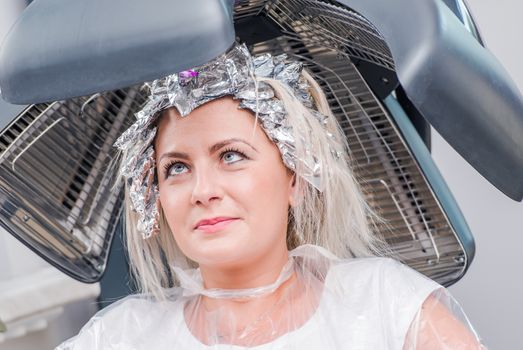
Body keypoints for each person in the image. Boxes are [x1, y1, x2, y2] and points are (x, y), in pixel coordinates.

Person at [56, 43, 485, 349]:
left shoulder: (386, 305)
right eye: (177, 168)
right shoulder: (120, 338)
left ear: (294, 178)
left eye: (231, 156)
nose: (203, 192)